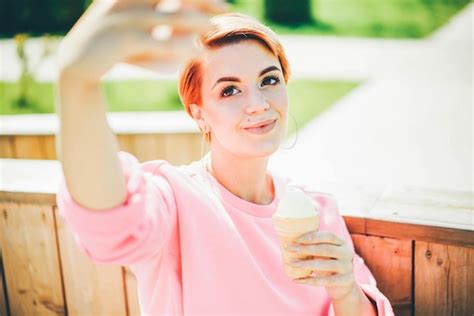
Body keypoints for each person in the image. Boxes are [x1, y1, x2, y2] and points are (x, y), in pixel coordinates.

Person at [55, 0, 394, 315]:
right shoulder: (174, 199)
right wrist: (77, 83)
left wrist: (346, 290)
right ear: (199, 114)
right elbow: (110, 222)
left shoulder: (317, 209)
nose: (258, 103)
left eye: (269, 80)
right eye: (229, 89)